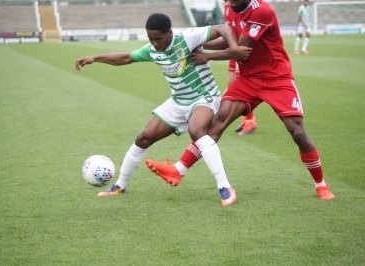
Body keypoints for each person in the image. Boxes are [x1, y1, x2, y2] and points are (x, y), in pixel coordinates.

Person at [145, 0, 335, 201]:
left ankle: (321, 185)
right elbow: (230, 41)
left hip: (276, 78)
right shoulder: (230, 8)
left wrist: (207, 56)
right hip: (247, 79)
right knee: (217, 122)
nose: (230, 2)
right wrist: (196, 42)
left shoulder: (262, 11)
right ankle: (178, 170)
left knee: (297, 131)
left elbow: (241, 50)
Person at [75, 13, 252, 206]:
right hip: (177, 102)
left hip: (204, 97)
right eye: (151, 39)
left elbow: (223, 28)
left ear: (170, 33)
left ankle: (224, 187)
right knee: (143, 138)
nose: (155, 43)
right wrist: (95, 58)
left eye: (158, 38)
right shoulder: (152, 50)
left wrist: (233, 48)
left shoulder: (187, 37)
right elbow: (126, 57)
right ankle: (119, 185)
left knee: (197, 131)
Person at [223, 0, 257, 135]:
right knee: (231, 84)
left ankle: (250, 120)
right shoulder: (228, 6)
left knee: (239, 88)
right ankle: (247, 118)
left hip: (239, 48)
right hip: (233, 48)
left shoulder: (238, 5)